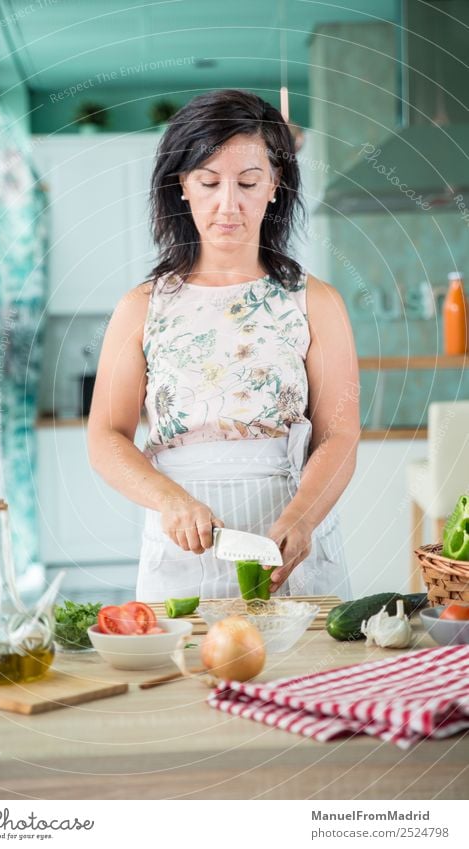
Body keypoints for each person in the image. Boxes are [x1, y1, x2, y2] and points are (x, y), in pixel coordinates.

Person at [88, 89, 360, 603]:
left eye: (249, 182)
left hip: (291, 544)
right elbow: (106, 435)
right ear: (182, 187)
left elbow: (340, 435)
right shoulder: (141, 306)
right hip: (181, 549)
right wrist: (169, 501)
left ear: (275, 186)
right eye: (209, 182)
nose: (228, 205)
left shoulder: (316, 301)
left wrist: (301, 520)